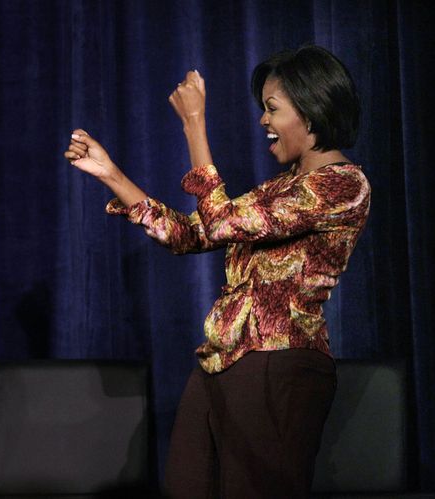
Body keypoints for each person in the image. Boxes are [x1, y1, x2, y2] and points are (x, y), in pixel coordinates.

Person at [64, 45, 370, 498]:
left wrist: (194, 124)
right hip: (220, 363)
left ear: (312, 111)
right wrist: (111, 174)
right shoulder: (278, 189)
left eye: (272, 109)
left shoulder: (342, 184)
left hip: (279, 365)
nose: (263, 121)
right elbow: (189, 235)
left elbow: (221, 221)